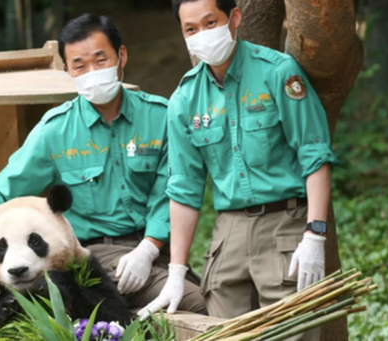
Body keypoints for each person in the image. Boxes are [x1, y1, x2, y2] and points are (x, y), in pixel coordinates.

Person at [0, 13, 207, 316]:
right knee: (195, 303)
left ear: (121, 56)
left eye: (100, 60)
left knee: (199, 298)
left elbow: (171, 191)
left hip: (154, 251)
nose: (92, 72)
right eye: (79, 65)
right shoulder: (56, 130)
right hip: (89, 256)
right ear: (67, 70)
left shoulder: (161, 116)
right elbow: (0, 191)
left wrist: (147, 249)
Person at [137, 0, 338, 340]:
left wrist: (315, 233)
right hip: (228, 232)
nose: (202, 35)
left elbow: (314, 155)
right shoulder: (184, 99)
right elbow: (184, 188)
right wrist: (175, 271)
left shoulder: (277, 72)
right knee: (223, 334)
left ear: (234, 18)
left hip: (284, 223)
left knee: (294, 331)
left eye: (210, 22)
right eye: (191, 29)